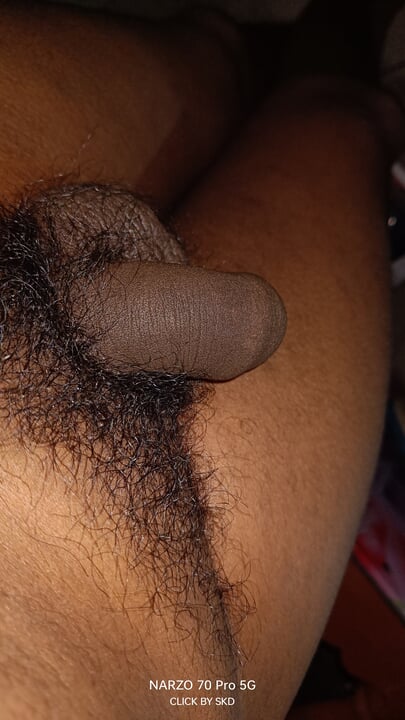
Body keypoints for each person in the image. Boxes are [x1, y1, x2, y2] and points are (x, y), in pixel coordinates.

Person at [0, 1, 402, 718]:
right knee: (328, 117)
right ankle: (302, 60)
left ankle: (252, 52)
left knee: (224, 76)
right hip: (123, 623)